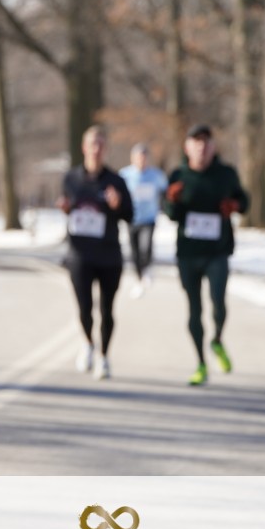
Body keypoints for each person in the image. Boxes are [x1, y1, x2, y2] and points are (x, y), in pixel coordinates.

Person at [164, 124, 248, 386]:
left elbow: (244, 201)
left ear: (213, 147)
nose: (201, 146)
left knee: (218, 302)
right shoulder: (179, 174)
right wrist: (171, 201)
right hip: (188, 253)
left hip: (217, 251)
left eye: (206, 142)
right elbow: (170, 214)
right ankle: (200, 362)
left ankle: (217, 340)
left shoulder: (226, 174)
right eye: (196, 141)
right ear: (187, 147)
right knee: (194, 309)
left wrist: (235, 205)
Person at [57, 126, 134, 380]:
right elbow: (67, 206)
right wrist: (65, 208)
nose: (97, 149)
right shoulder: (71, 178)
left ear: (106, 149)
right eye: (92, 144)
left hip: (108, 255)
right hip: (79, 254)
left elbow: (130, 215)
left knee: (107, 310)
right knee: (84, 307)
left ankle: (104, 356)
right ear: (84, 147)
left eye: (101, 144)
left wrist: (117, 204)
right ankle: (88, 343)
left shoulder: (116, 181)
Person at [119, 143, 167, 297]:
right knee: (134, 252)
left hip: (149, 218)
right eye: (138, 157)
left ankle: (147, 270)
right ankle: (139, 278)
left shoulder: (156, 175)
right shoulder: (125, 175)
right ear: (132, 158)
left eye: (144, 157)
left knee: (145, 247)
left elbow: (165, 191)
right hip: (131, 218)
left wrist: (164, 206)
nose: (141, 160)